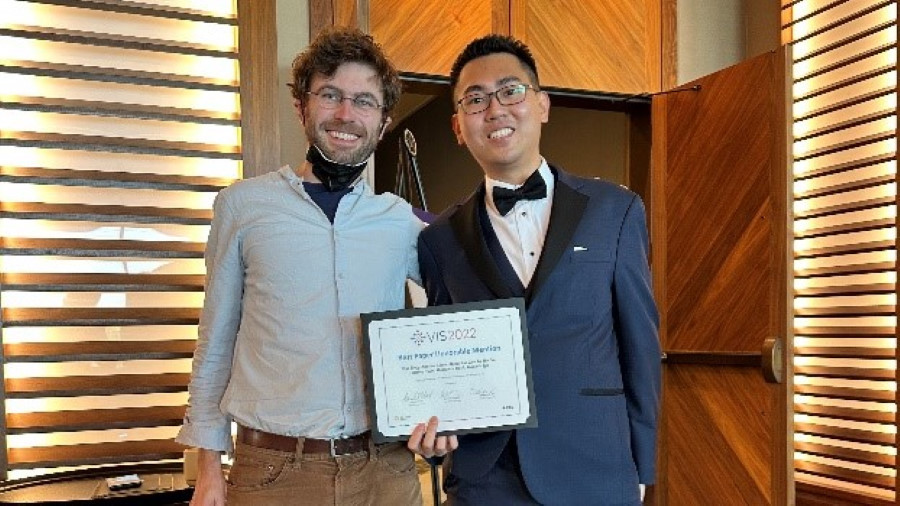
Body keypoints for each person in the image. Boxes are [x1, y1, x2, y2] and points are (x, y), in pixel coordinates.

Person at [177, 27, 448, 506]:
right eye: (331, 95)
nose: (346, 114)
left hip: (385, 471)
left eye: (365, 101)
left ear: (383, 122)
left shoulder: (402, 223)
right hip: (275, 473)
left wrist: (451, 410)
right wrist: (208, 469)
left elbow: (451, 318)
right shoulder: (242, 207)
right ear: (302, 105)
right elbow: (215, 340)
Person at [415, 34, 661, 505]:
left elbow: (641, 347)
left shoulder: (616, 210)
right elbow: (442, 361)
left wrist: (642, 468)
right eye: (476, 99)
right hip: (484, 479)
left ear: (542, 105)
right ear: (458, 126)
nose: (495, 109)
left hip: (595, 468)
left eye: (511, 91)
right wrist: (435, 430)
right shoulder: (438, 239)